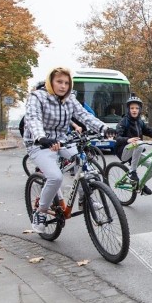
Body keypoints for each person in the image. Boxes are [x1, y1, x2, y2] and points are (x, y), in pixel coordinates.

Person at [23, 66, 113, 233]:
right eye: (59, 82)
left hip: (62, 140)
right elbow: (33, 119)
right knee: (56, 177)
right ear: (51, 82)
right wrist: (41, 138)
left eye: (66, 82)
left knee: (85, 164)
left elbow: (84, 115)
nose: (63, 86)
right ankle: (40, 212)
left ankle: (83, 197)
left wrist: (104, 129)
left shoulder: (69, 99)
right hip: (39, 143)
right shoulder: (37, 97)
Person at [114, 96, 152, 196]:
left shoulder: (140, 122)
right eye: (132, 108)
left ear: (140, 109)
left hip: (137, 150)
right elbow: (117, 138)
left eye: (136, 108)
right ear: (128, 109)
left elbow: (150, 132)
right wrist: (128, 140)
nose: (134, 110)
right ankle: (133, 172)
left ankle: (140, 185)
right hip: (124, 151)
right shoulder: (123, 122)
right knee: (139, 143)